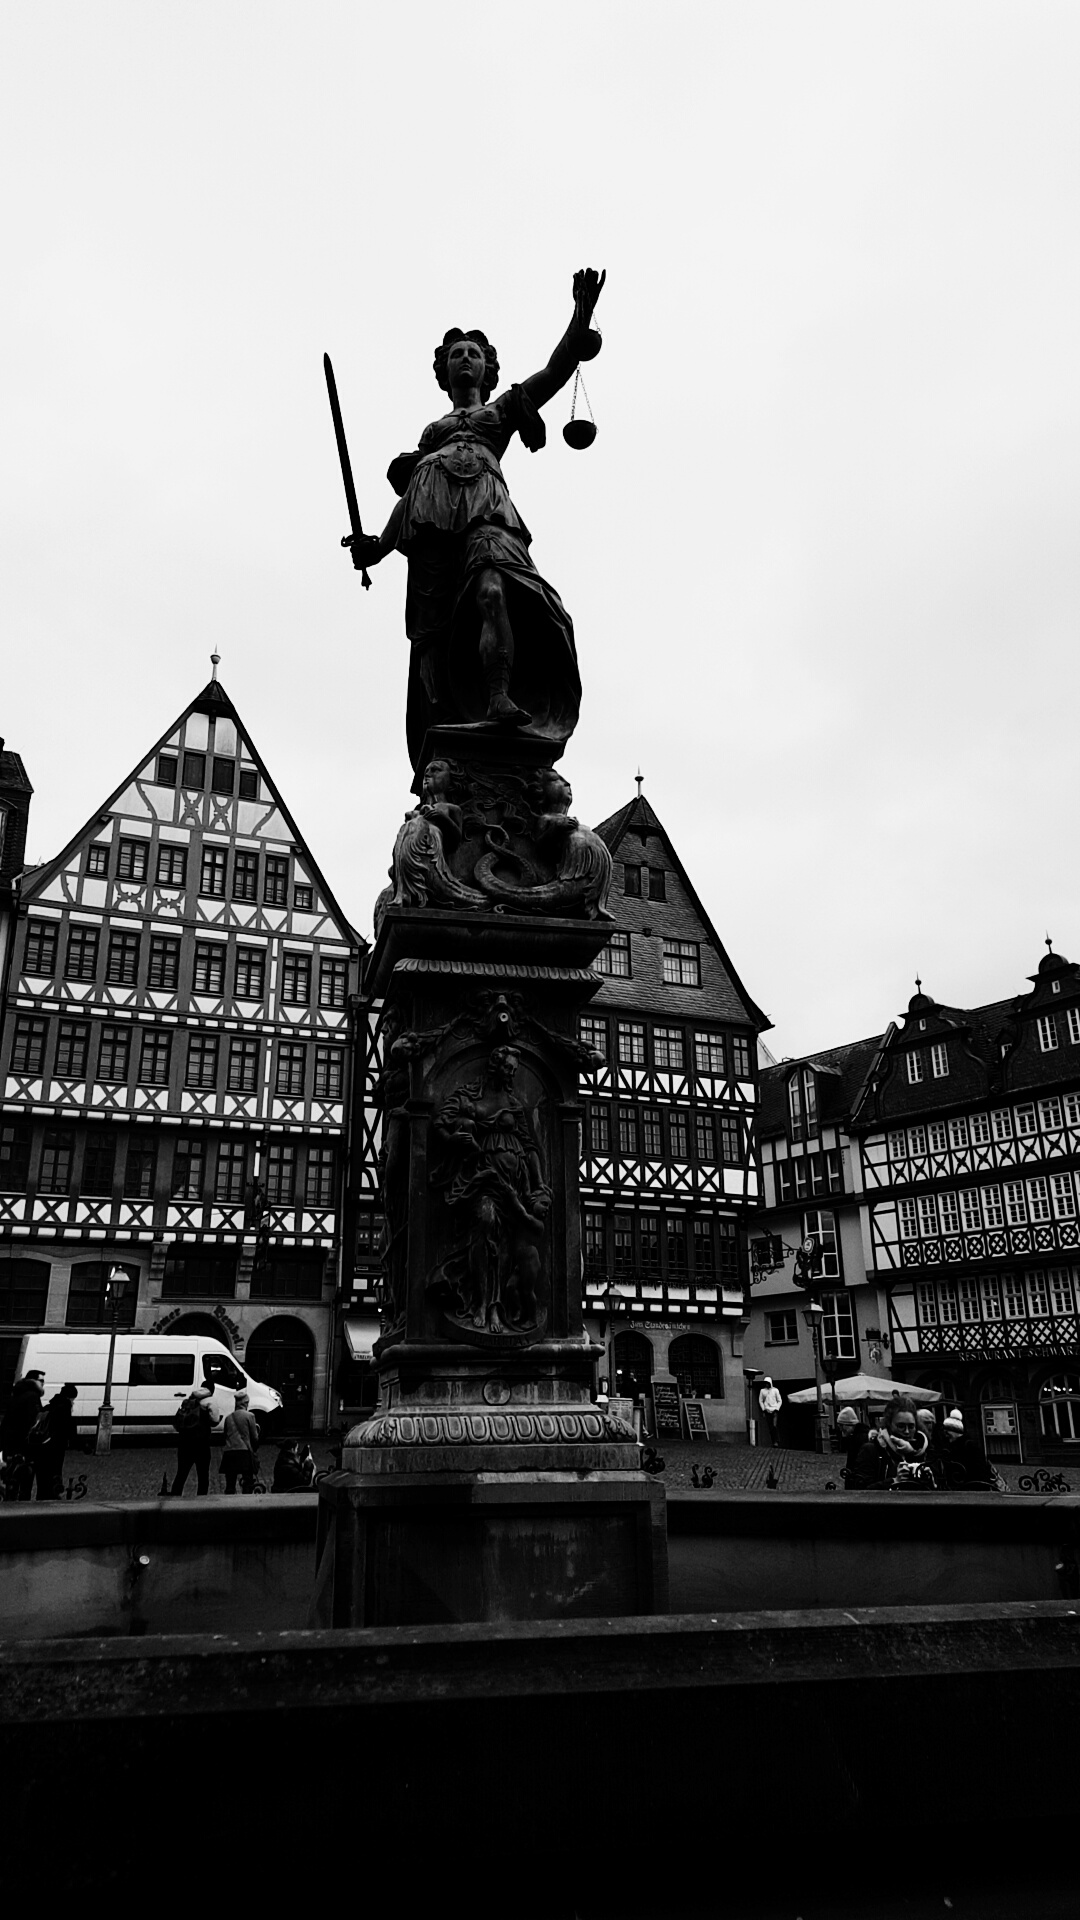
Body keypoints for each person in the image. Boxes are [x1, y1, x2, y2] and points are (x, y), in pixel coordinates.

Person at [347, 270, 605, 770]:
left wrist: (580, 317)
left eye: (474, 353)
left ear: (487, 370)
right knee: (432, 638)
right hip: (428, 526)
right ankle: (443, 738)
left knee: (494, 589)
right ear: (443, 372)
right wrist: (376, 546)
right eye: (455, 354)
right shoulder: (431, 435)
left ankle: (499, 695)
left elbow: (554, 372)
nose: (465, 358)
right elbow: (412, 497)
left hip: (488, 512)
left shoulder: (501, 412)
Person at [846, 1396, 935, 1489]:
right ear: (889, 1425)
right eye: (901, 1426)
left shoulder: (924, 1448)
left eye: (911, 1426)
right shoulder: (873, 1450)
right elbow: (861, 1491)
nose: (907, 1431)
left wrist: (928, 1478)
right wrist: (894, 1481)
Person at [930, 1408, 1002, 1491]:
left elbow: (980, 1472)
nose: (945, 1435)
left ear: (955, 1431)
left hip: (972, 1489)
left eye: (947, 1432)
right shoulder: (953, 1446)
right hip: (964, 1489)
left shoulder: (969, 1447)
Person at [0, 1369, 45, 1502]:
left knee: (11, 1478)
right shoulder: (32, 1396)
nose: (43, 1384)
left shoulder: (18, 1394)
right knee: (24, 1478)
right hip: (24, 1445)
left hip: (10, 1443)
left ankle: (10, 1499)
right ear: (34, 1381)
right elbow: (32, 1421)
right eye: (41, 1381)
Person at [28, 1383, 78, 1501]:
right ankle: (50, 1497)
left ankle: (41, 1496)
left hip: (42, 1446)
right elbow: (68, 1429)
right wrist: (80, 1444)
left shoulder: (50, 1405)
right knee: (53, 1474)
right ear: (70, 1397)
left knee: (42, 1475)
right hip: (55, 1448)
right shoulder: (64, 1407)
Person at [169, 1385, 219, 1497]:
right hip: (201, 1445)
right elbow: (215, 1420)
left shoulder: (189, 1400)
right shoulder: (209, 1401)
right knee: (203, 1476)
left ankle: (174, 1499)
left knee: (181, 1474)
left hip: (184, 1443)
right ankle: (201, 1501)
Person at [221, 1393, 260, 1494]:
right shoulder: (250, 1416)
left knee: (230, 1483)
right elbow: (254, 1437)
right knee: (248, 1482)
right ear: (246, 1403)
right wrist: (254, 1448)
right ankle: (245, 1505)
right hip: (244, 1452)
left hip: (229, 1452)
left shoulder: (228, 1418)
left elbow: (225, 1436)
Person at [758, 1377, 782, 1447]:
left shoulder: (775, 1390)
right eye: (765, 1383)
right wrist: (764, 1409)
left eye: (767, 1383)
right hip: (767, 1410)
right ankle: (773, 1441)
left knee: (774, 1426)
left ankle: (776, 1440)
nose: (766, 1385)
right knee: (770, 1427)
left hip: (774, 1410)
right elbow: (760, 1401)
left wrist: (777, 1409)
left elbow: (779, 1400)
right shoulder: (762, 1391)